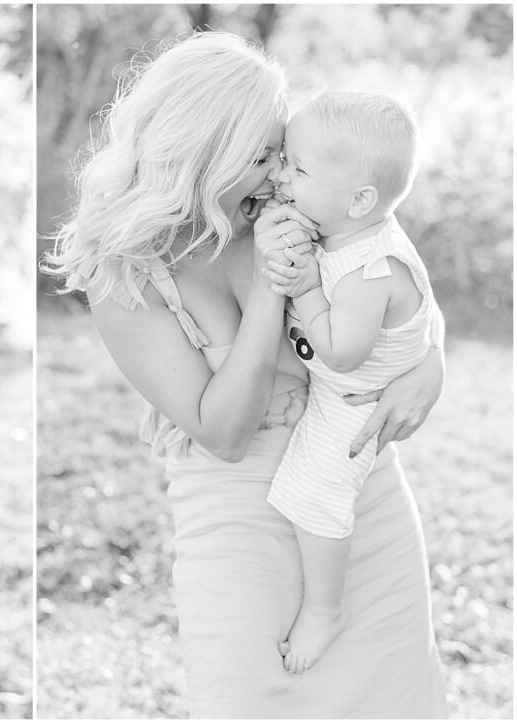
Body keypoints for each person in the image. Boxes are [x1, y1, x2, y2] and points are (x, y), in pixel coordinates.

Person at [46, 32, 449, 717]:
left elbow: (395, 282)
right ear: (206, 154)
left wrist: (429, 365)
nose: (277, 174)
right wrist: (271, 286)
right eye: (262, 156)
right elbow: (224, 432)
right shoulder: (125, 274)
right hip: (237, 520)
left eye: (281, 154)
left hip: (360, 498)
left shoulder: (300, 208)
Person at [257, 91, 438, 674]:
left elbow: (340, 354)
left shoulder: (367, 270)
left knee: (317, 496)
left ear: (359, 200)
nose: (282, 175)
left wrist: (307, 288)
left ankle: (323, 609)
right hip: (350, 379)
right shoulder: (346, 224)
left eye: (297, 169)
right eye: (284, 159)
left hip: (353, 396)